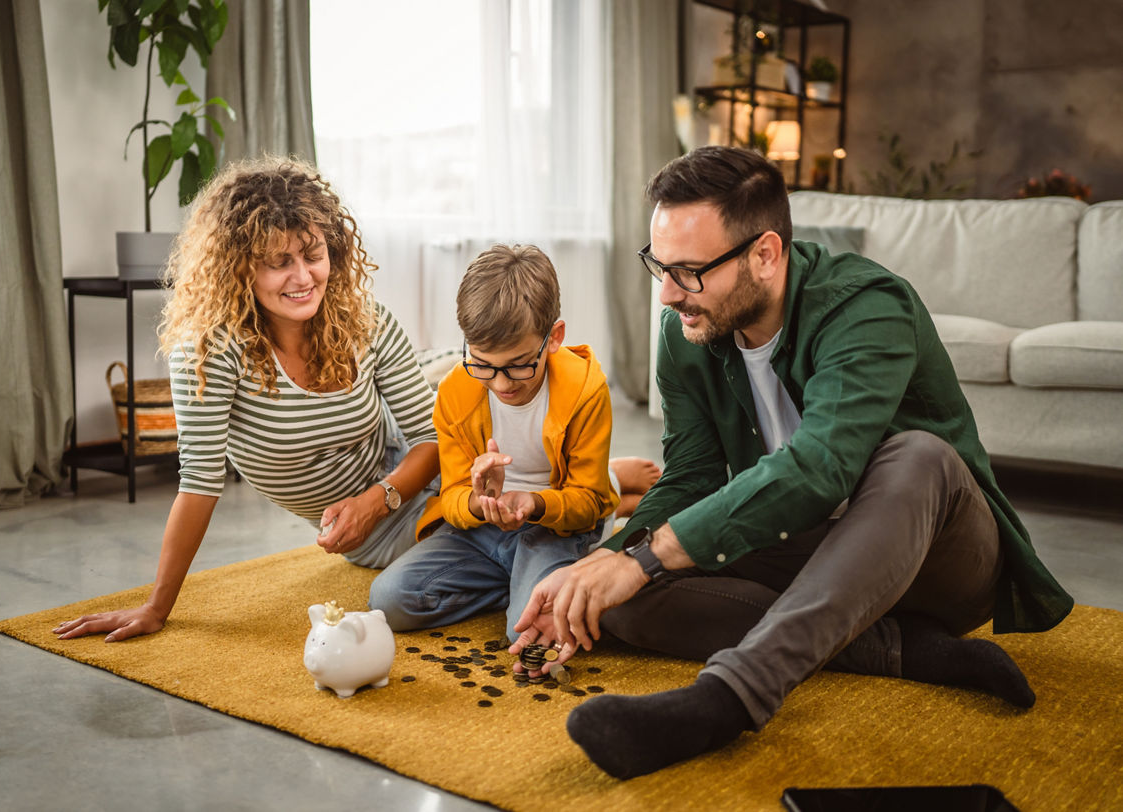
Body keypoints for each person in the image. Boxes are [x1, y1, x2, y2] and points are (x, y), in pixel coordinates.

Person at [509, 146, 1074, 779]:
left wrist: (643, 557)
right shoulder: (687, 328)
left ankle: (726, 699)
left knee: (920, 457)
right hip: (805, 547)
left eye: (689, 271)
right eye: (659, 266)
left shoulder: (868, 305)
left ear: (766, 254)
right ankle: (898, 651)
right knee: (619, 594)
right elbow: (692, 477)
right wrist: (603, 564)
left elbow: (821, 468)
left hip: (936, 558)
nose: (668, 294)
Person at [54, 157, 441, 643]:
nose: (303, 278)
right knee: (447, 566)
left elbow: (431, 435)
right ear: (238, 267)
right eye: (279, 262)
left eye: (313, 255)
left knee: (497, 434)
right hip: (381, 532)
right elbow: (199, 483)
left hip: (414, 470)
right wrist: (157, 606)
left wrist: (376, 500)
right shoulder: (209, 349)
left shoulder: (367, 320)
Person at [369, 244, 660, 642]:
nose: (502, 383)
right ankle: (524, 579)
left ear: (554, 337)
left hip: (556, 523)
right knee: (388, 601)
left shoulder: (586, 389)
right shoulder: (456, 390)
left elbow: (583, 503)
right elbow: (451, 499)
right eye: (483, 364)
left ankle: (601, 507)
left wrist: (535, 502)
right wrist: (478, 500)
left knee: (524, 631)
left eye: (520, 365)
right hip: (484, 528)